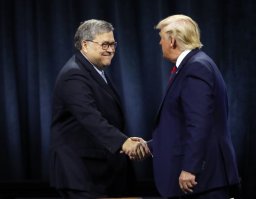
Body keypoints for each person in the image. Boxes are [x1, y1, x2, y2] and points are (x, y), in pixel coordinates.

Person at [141, 14, 240, 198]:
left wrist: (190, 168)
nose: (159, 43)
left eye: (161, 38)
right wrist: (150, 146)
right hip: (204, 178)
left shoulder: (196, 68)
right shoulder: (195, 64)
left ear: (172, 41)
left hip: (203, 180)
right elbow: (182, 125)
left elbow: (199, 123)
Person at [49, 19, 143, 199]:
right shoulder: (74, 74)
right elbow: (90, 117)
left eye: (113, 44)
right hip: (80, 174)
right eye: (105, 44)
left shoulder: (94, 71)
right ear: (85, 45)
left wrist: (124, 140)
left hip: (100, 173)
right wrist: (123, 143)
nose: (111, 49)